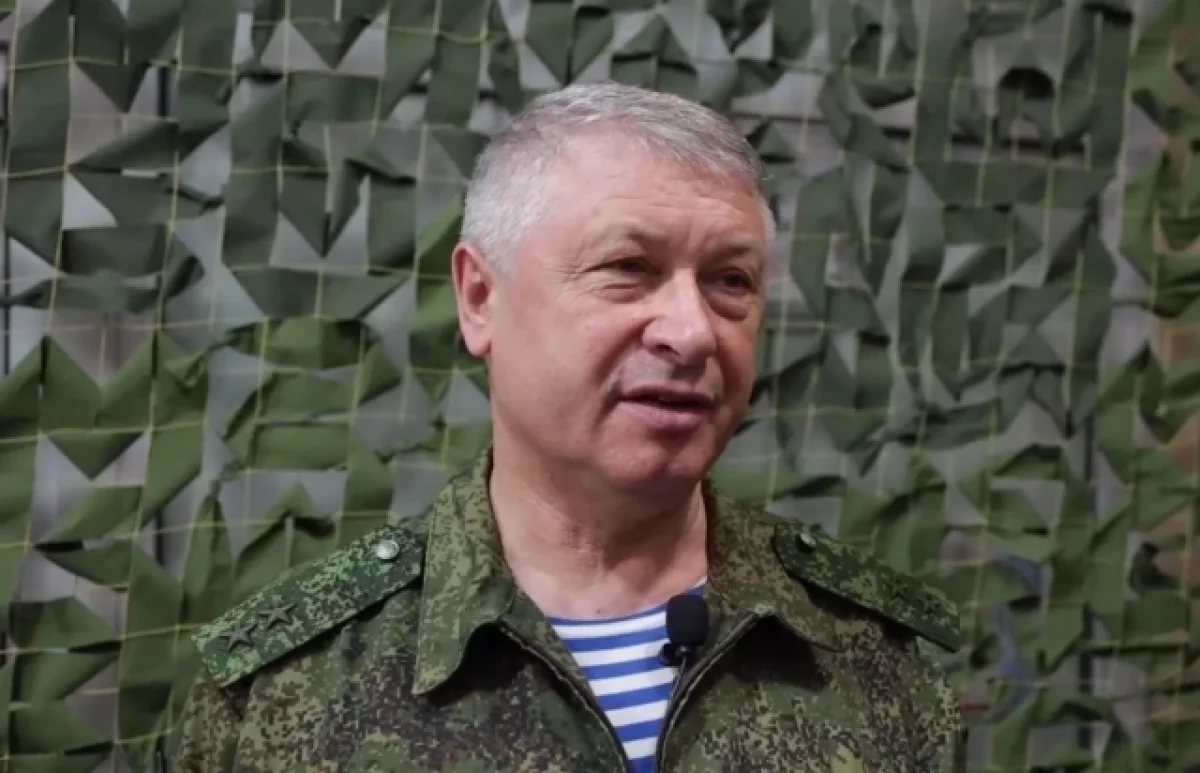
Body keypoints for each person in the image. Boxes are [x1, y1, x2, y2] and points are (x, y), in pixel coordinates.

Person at [171, 81, 966, 772]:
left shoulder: (874, 662)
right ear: (479, 298)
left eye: (731, 280)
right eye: (628, 268)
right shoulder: (282, 692)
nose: (692, 332)